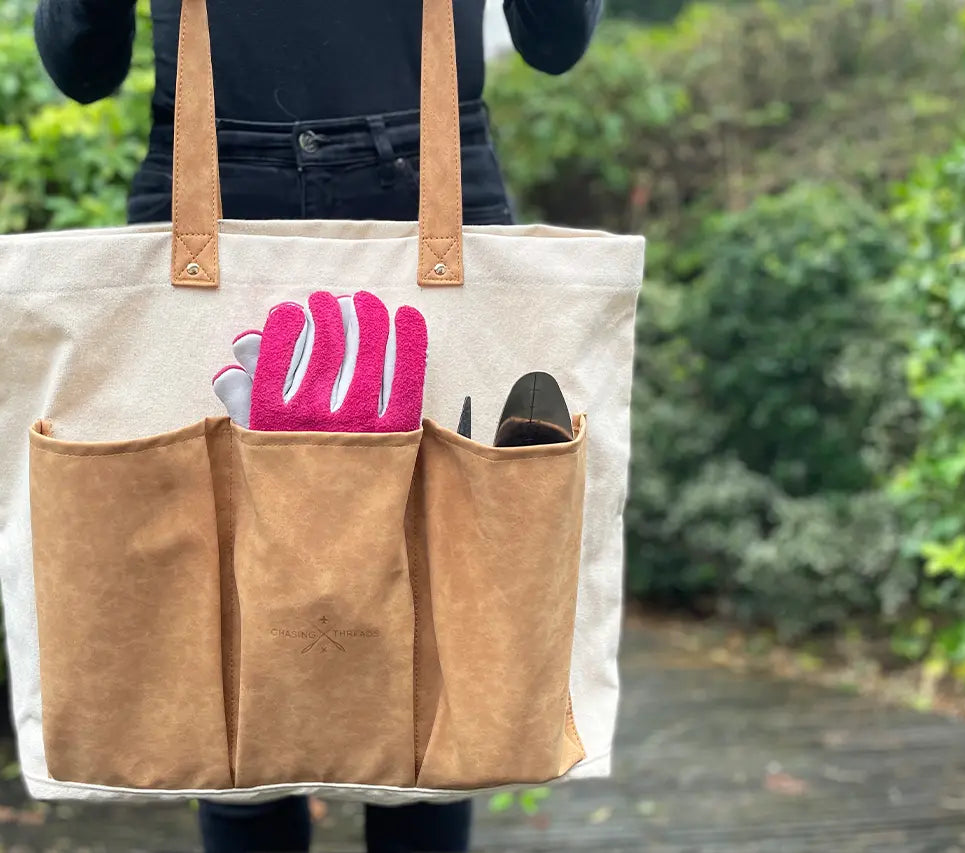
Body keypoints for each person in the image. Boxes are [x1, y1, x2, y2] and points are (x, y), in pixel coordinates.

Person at [32, 2, 603, 851]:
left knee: (446, 668)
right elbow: (82, 61)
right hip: (213, 185)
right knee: (224, 667)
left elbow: (554, 39)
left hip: (429, 181)